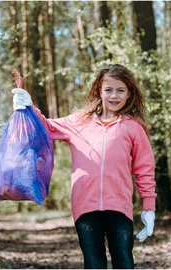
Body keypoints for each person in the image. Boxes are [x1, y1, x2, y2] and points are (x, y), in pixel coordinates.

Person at [12, 64, 156, 269]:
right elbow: (47, 126)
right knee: (93, 264)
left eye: (120, 90)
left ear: (129, 93)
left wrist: (149, 208)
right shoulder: (80, 122)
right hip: (85, 207)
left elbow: (145, 170)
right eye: (108, 90)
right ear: (99, 90)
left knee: (124, 262)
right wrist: (28, 107)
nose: (114, 96)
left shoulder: (133, 127)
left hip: (120, 207)